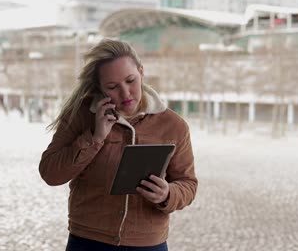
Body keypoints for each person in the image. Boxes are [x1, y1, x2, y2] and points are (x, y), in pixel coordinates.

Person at [39, 38, 197, 251]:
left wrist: (168, 193)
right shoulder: (81, 115)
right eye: (112, 87)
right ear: (100, 88)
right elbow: (51, 173)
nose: (125, 94)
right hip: (88, 240)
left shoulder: (174, 126)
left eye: (130, 80)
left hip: (148, 243)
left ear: (141, 72)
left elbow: (188, 183)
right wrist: (94, 137)